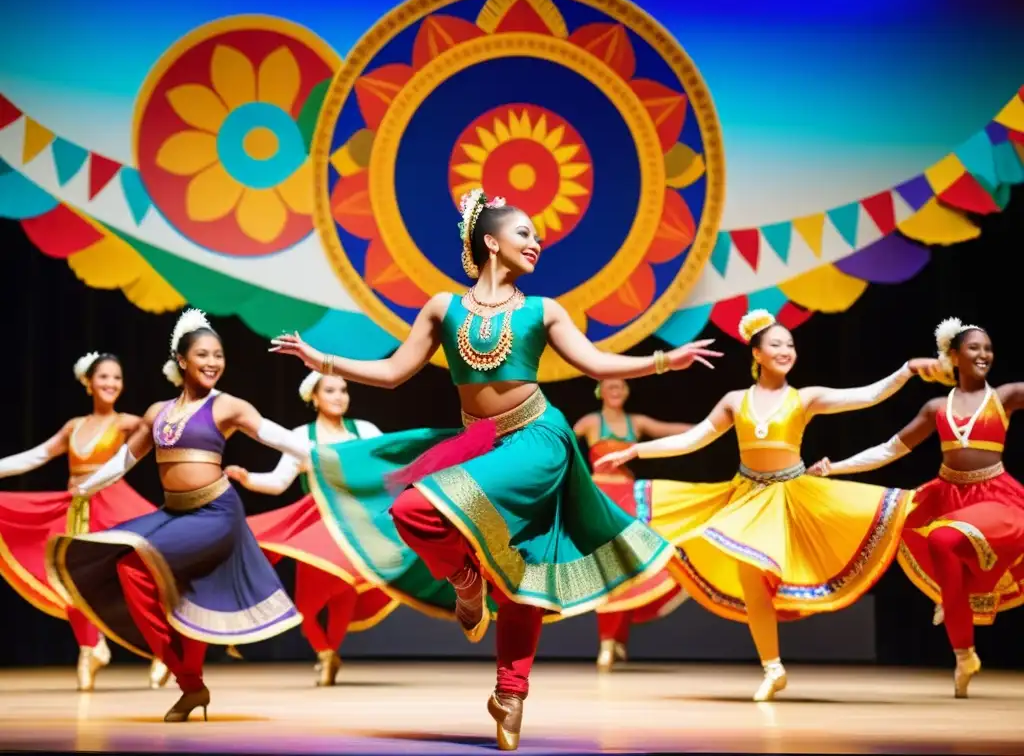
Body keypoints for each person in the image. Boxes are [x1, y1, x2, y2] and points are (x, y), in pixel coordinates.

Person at [269, 188, 721, 750]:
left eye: (536, 235)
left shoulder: (542, 310)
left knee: (526, 567)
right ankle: (466, 581)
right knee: (414, 510)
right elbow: (392, 373)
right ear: (491, 241)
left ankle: (512, 692)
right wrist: (324, 360)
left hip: (537, 439)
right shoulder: (442, 308)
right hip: (479, 441)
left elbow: (595, 362)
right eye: (526, 233)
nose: (538, 241)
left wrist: (661, 361)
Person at [595, 309, 940, 701]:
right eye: (776, 344)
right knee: (751, 579)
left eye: (790, 345)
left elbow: (868, 396)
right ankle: (773, 669)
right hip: (746, 496)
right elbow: (693, 440)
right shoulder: (735, 401)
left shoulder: (804, 398)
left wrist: (908, 369)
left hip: (791, 496)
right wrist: (636, 450)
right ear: (757, 353)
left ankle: (939, 582)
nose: (786, 350)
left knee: (891, 510)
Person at [45, 309, 312, 722]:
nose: (212, 362)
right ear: (182, 360)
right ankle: (190, 684)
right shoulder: (157, 413)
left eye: (218, 355)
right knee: (141, 574)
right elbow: (122, 461)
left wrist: (337, 460)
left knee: (140, 567)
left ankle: (187, 682)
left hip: (216, 515)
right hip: (174, 514)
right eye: (203, 354)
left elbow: (281, 437)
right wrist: (85, 487)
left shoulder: (229, 407)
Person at [808, 318, 1024, 698]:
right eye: (974, 348)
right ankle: (964, 653)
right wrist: (834, 467)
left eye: (988, 348)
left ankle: (965, 594)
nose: (983, 354)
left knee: (942, 539)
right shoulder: (936, 407)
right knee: (899, 521)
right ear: (953, 356)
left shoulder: (1004, 396)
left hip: (995, 496)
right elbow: (890, 449)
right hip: (946, 495)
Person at [0, 352, 169, 691]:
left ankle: (163, 650)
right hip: (77, 510)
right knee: (71, 579)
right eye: (104, 377)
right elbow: (36, 456)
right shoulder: (73, 427)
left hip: (115, 505)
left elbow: (163, 434)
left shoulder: (126, 423)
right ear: (88, 382)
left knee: (139, 579)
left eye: (117, 378)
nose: (111, 384)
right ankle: (90, 648)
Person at [227, 371, 397, 687]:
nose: (339, 396)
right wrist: (248, 478)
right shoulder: (301, 437)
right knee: (308, 605)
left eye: (343, 390)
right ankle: (327, 652)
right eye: (330, 390)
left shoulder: (365, 431)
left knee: (345, 591)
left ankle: (328, 654)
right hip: (317, 525)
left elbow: (384, 473)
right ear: (314, 398)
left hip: (354, 525)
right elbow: (278, 483)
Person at [573, 379, 691, 671]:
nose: (616, 391)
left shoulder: (635, 422)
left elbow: (669, 431)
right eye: (610, 386)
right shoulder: (590, 422)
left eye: (621, 387)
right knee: (607, 572)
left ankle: (616, 640)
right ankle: (607, 642)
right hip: (599, 500)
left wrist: (715, 426)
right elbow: (563, 443)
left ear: (626, 392)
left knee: (632, 569)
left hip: (628, 500)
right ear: (601, 390)